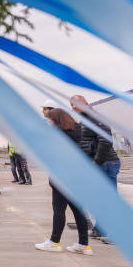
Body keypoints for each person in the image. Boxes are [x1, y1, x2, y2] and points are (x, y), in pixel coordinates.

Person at [35, 101, 93, 255]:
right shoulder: (79, 131)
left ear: (57, 120)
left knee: (59, 210)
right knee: (78, 210)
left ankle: (54, 241)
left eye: (50, 119)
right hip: (78, 176)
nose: (49, 122)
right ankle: (83, 244)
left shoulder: (58, 135)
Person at [73, 95, 120, 244]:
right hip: (99, 163)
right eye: (72, 105)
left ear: (86, 103)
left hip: (106, 163)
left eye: (77, 104)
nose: (74, 107)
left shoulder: (94, 117)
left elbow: (105, 140)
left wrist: (96, 162)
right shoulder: (85, 119)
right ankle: (100, 229)